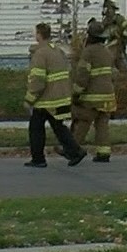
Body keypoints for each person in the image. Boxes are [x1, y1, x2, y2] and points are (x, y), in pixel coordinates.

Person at [24, 22, 84, 168]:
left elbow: (38, 81)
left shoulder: (40, 54)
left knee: (36, 128)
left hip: (47, 100)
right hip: (62, 97)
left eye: (35, 33)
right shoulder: (57, 51)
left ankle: (38, 159)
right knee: (58, 127)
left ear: (39, 35)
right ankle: (76, 151)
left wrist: (29, 100)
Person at [71, 17, 118, 162]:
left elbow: (83, 75)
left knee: (83, 122)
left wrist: (76, 93)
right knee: (102, 124)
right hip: (108, 96)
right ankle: (103, 153)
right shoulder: (107, 52)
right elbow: (114, 73)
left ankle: (72, 150)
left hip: (91, 97)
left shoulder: (89, 52)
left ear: (90, 36)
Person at [100, 0, 127, 72]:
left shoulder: (118, 18)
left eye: (109, 9)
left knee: (113, 57)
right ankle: (124, 74)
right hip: (110, 42)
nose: (108, 11)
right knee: (117, 60)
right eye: (106, 9)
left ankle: (122, 75)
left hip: (118, 42)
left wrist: (124, 34)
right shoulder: (105, 20)